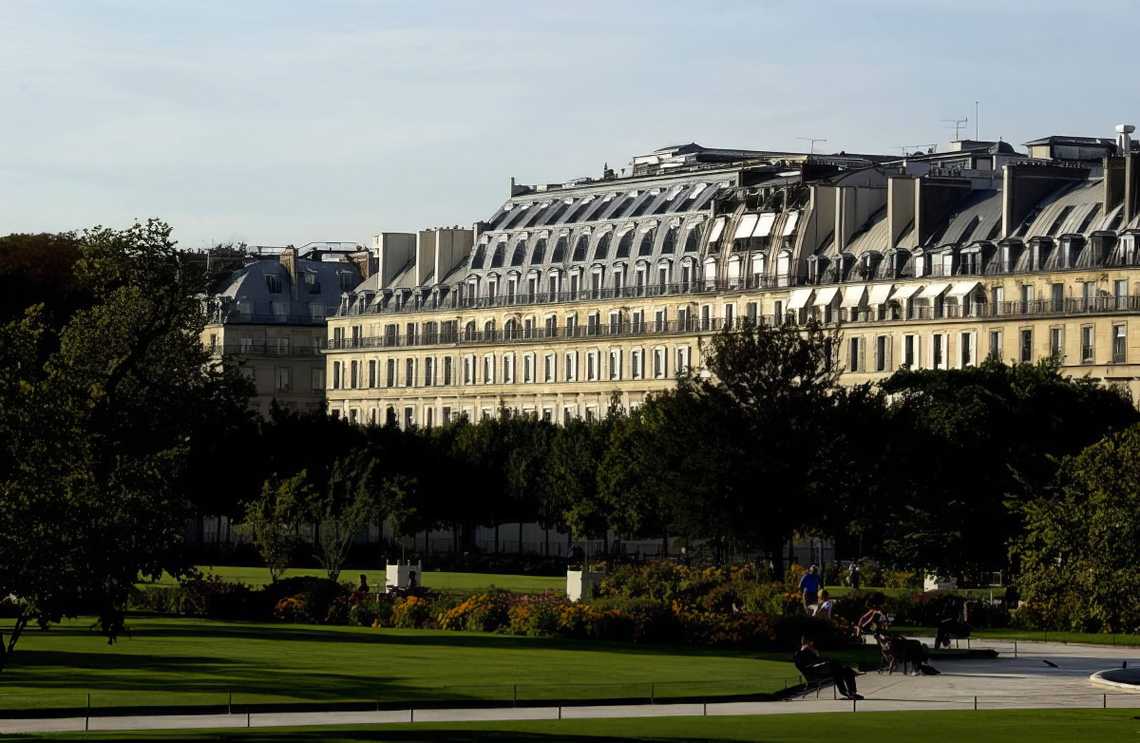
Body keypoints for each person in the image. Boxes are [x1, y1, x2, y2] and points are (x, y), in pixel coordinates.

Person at [793, 637, 863, 700]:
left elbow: (818, 660)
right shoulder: (799, 654)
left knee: (846, 670)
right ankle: (847, 692)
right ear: (806, 642)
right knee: (835, 666)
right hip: (815, 674)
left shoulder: (810, 651)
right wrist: (805, 651)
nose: (812, 643)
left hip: (824, 671)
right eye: (811, 642)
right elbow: (806, 666)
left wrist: (815, 653)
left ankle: (851, 693)